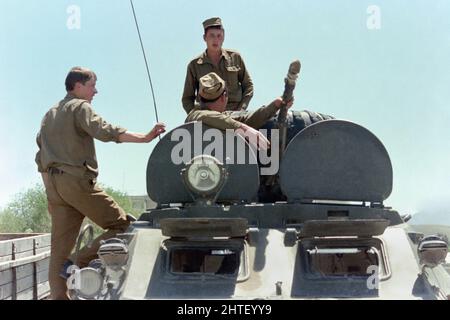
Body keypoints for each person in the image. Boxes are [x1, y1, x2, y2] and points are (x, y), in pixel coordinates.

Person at [35, 67, 166, 300]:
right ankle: (77, 261)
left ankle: (59, 295)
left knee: (58, 251)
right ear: (78, 86)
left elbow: (40, 156)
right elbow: (105, 130)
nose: (96, 90)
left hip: (55, 187)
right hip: (77, 183)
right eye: (92, 85)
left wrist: (51, 195)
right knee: (123, 224)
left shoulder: (50, 114)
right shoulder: (80, 107)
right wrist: (144, 138)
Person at [185, 72, 293, 150]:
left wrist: (275, 105)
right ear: (224, 96)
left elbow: (249, 119)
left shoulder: (224, 117)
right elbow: (206, 117)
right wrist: (243, 129)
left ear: (199, 97)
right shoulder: (195, 115)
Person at [182, 17, 254, 114]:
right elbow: (187, 99)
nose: (216, 40)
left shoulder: (235, 57)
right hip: (209, 118)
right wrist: (197, 116)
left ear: (223, 37)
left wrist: (241, 110)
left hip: (235, 114)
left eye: (219, 36)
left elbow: (248, 86)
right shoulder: (194, 65)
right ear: (204, 38)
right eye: (212, 35)